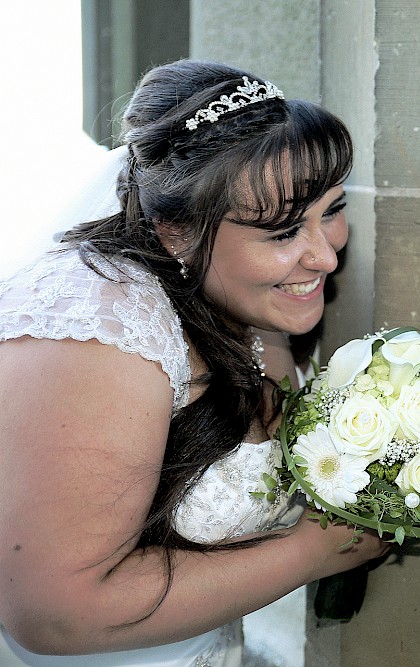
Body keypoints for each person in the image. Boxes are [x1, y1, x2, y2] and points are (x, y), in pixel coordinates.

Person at [0, 59, 389, 665]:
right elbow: (54, 614)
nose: (324, 256)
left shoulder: (244, 295)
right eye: (284, 232)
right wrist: (315, 551)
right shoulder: (100, 339)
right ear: (175, 230)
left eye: (331, 211)